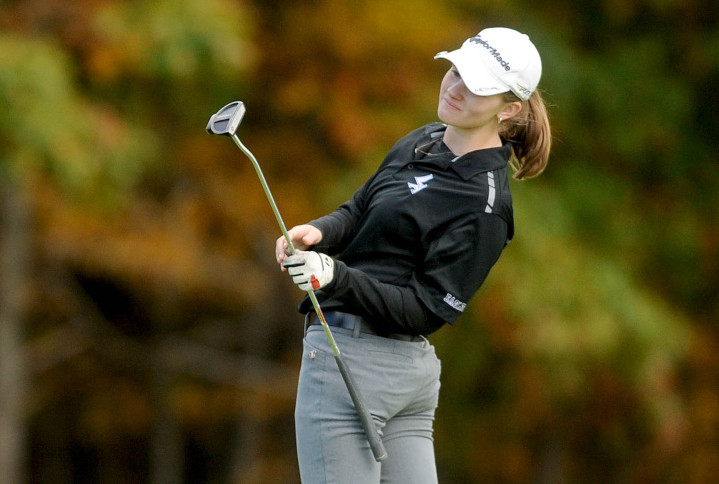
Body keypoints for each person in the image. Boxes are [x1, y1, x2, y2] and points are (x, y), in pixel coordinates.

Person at [275, 26, 551, 484]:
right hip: (369, 365)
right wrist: (318, 232)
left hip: (372, 373)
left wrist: (336, 278)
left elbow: (425, 309)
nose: (455, 88)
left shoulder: (484, 208)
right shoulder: (424, 138)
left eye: (476, 87)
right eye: (456, 72)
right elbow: (362, 206)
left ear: (509, 109)